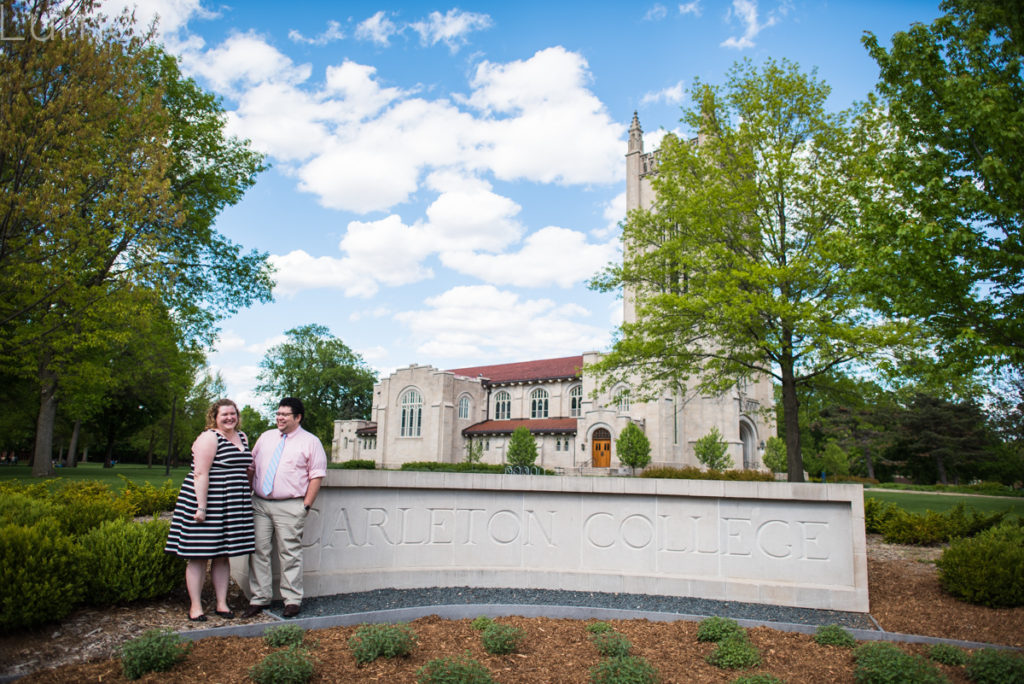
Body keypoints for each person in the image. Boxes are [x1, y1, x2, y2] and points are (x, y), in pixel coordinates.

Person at [165, 399, 255, 621]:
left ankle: (222, 604)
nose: (229, 418)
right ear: (214, 416)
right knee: (197, 555)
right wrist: (201, 507)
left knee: (223, 555)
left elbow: (246, 469)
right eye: (224, 414)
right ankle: (195, 606)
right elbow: (200, 474)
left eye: (233, 413)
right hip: (207, 500)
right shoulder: (209, 437)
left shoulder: (242, 437)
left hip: (232, 504)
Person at [243, 397, 326, 619]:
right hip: (260, 504)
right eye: (278, 413)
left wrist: (305, 506)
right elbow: (251, 467)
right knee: (259, 551)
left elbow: (316, 476)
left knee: (290, 553)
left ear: (297, 417)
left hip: (290, 506)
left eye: (285, 414)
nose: (279, 418)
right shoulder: (266, 437)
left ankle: (291, 600)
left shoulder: (310, 442)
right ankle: (259, 598)